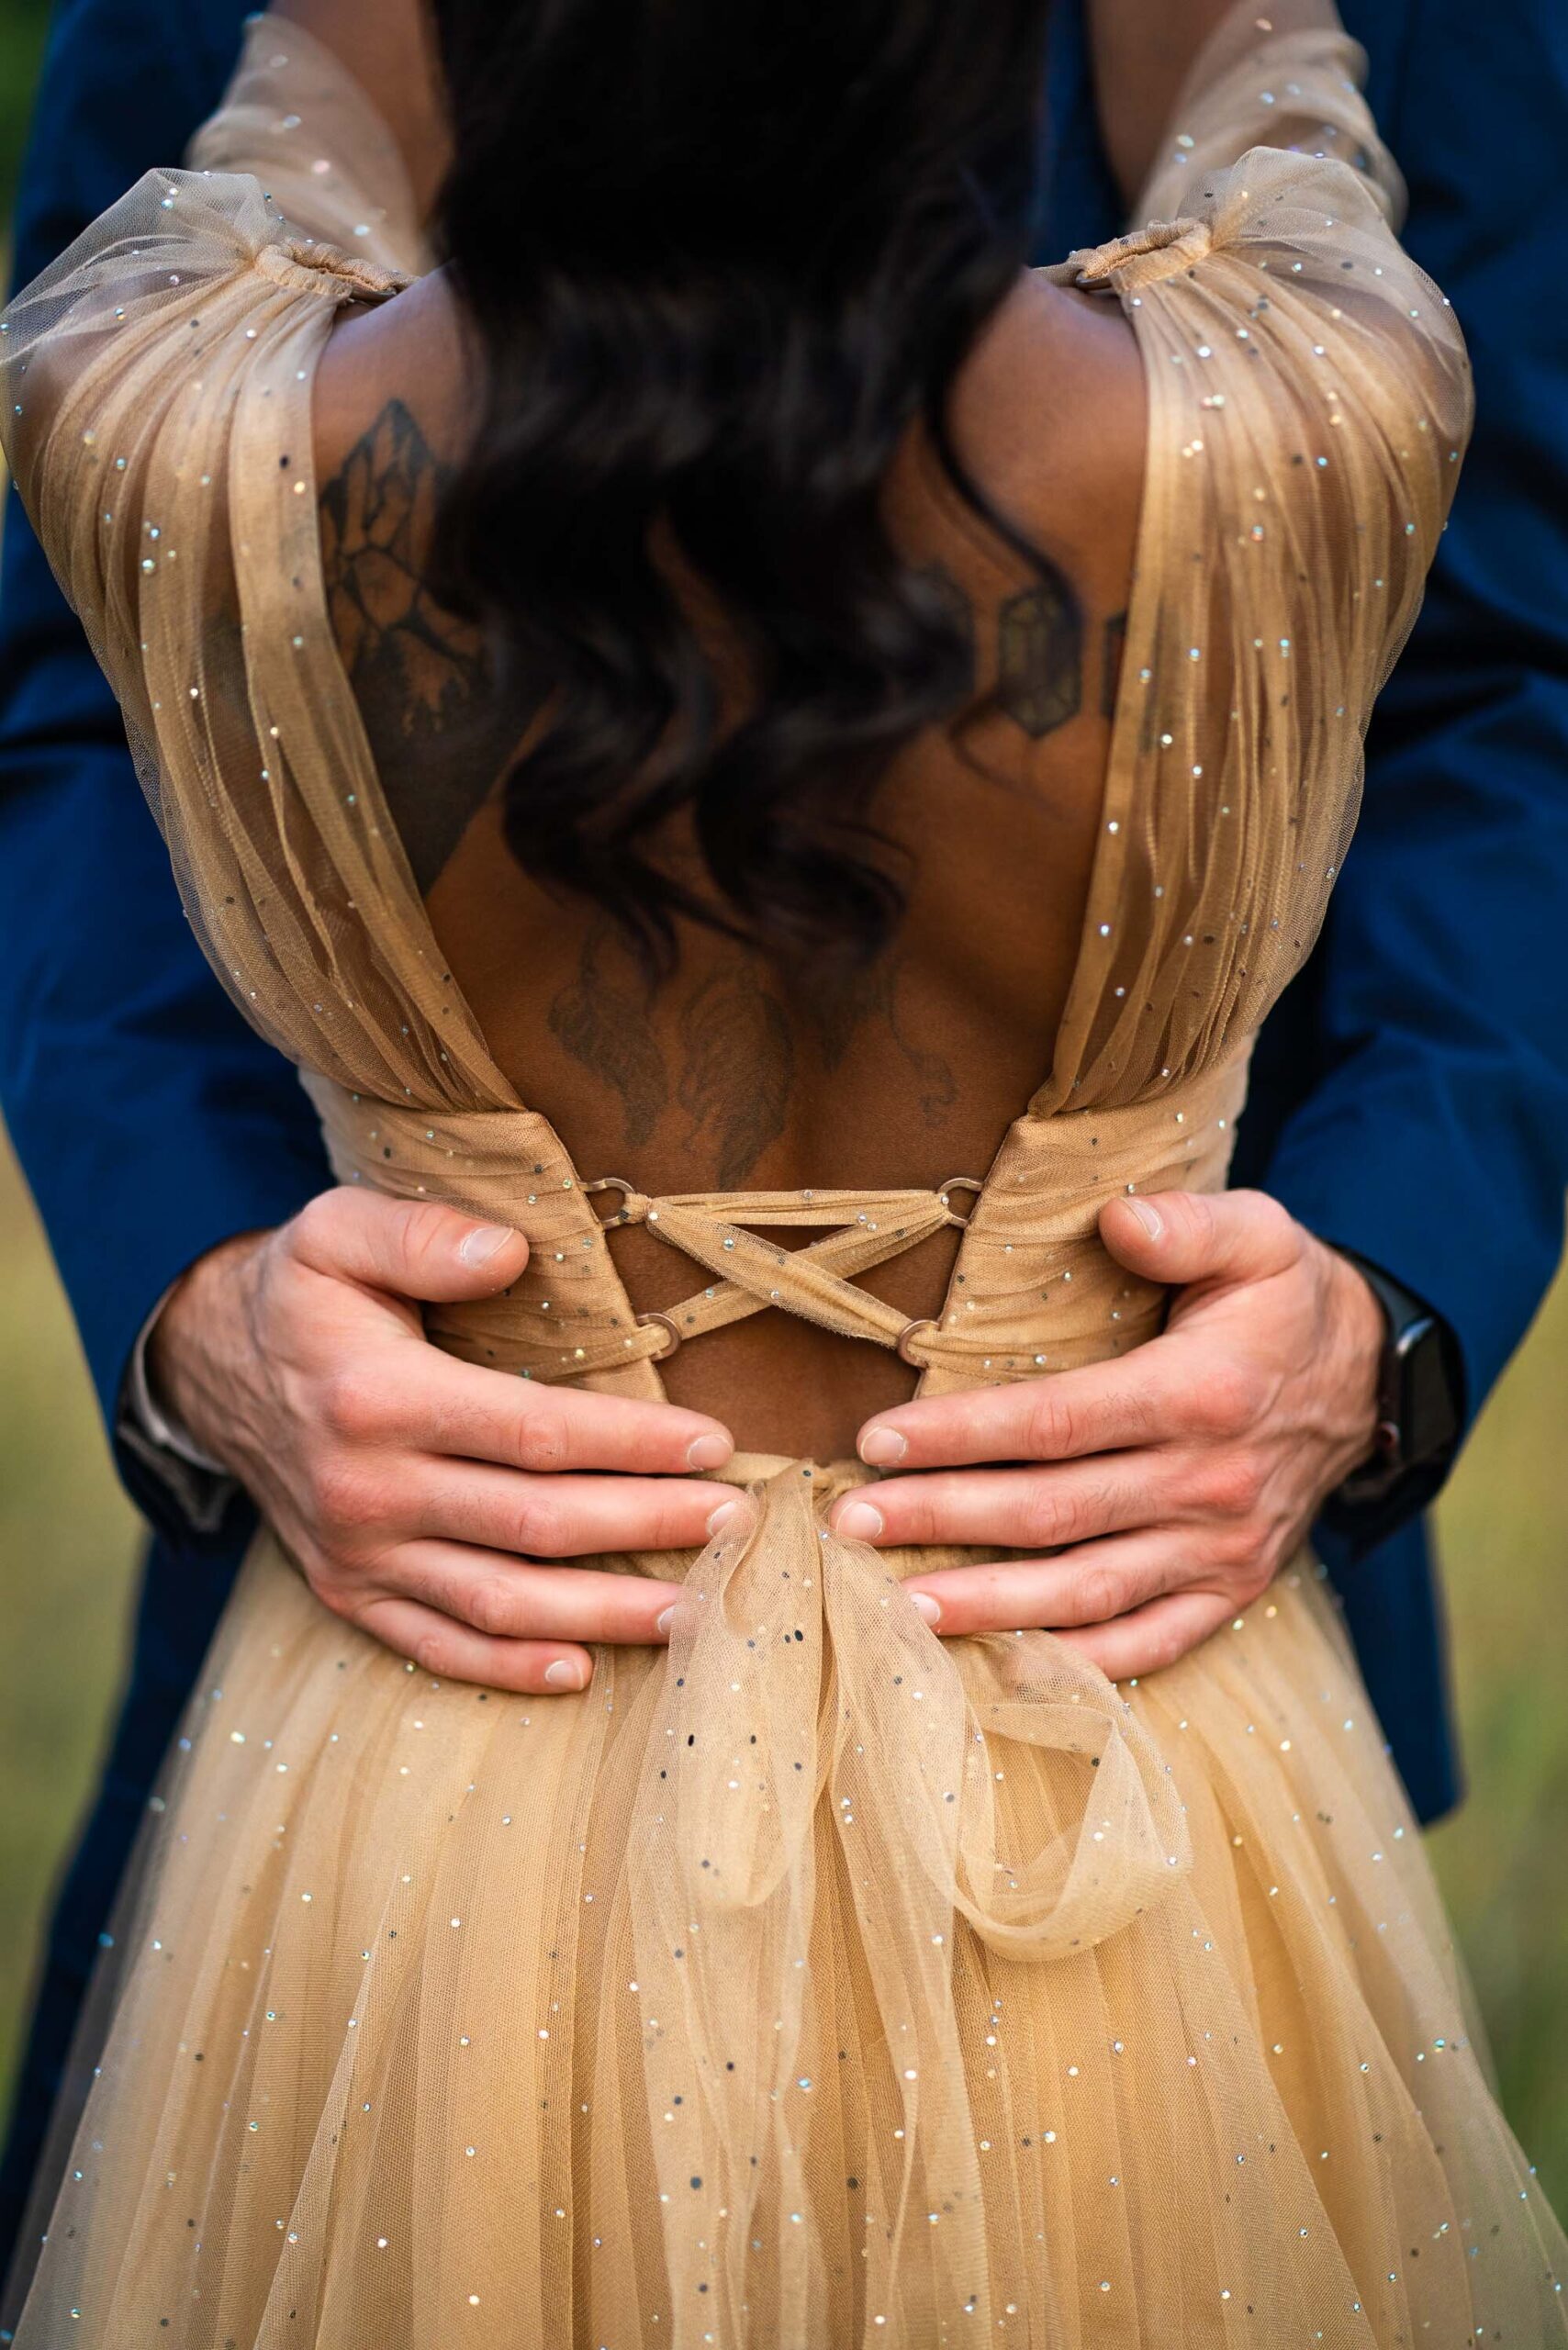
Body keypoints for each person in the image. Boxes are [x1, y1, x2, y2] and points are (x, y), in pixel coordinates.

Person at [3, 0, 1565, 2334]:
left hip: (989, 1590)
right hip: (429, 1537)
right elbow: (61, 694)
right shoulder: (1304, 390)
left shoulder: (161, 405)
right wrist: (196, 1286)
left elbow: (1520, 665)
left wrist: (1382, 1287)